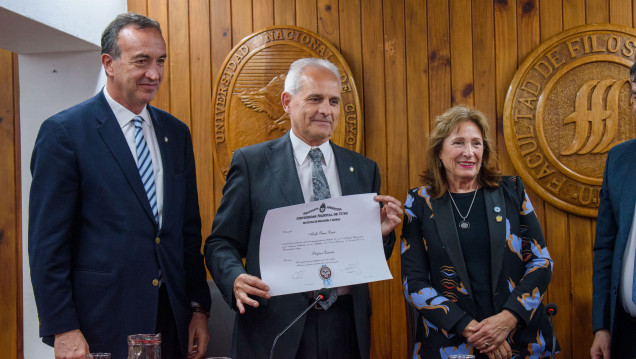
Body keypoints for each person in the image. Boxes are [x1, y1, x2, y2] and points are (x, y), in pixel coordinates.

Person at [29, 13, 211, 359]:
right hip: (100, 325)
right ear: (108, 63)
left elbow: (186, 233)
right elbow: (47, 245)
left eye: (160, 61)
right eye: (141, 61)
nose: (154, 74)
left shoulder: (177, 134)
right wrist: (62, 327)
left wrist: (198, 308)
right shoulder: (65, 133)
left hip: (171, 321)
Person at [204, 58, 402, 359]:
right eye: (315, 99)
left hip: (345, 325)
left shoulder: (362, 169)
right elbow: (220, 243)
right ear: (287, 102)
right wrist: (234, 279)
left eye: (334, 101)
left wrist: (381, 236)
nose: (327, 110)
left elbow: (364, 256)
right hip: (275, 325)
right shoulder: (251, 163)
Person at [400, 105, 558, 359]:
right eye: (458, 142)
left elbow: (541, 261)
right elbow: (414, 283)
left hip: (519, 341)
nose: (469, 152)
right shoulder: (418, 202)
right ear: (439, 152)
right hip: (451, 345)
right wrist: (475, 331)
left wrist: (508, 319)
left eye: (476, 143)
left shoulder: (512, 190)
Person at [590, 62, 636, 359]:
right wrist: (602, 327)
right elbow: (605, 248)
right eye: (635, 93)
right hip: (626, 333)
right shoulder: (619, 159)